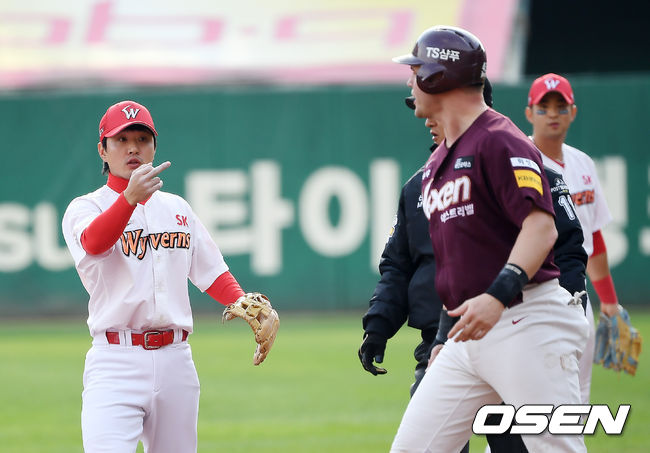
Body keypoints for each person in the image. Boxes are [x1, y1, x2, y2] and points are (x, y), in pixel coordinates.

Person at [389, 26, 589, 452]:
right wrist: (443, 338)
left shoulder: (498, 139)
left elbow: (542, 228)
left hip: (526, 321)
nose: (410, 81)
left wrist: (497, 296)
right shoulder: (438, 163)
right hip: (468, 333)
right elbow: (456, 266)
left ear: (439, 77)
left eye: (417, 70)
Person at [62, 100, 263, 453]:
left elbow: (211, 271)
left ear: (154, 147)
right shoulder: (86, 207)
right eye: (121, 140)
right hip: (116, 361)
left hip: (176, 360)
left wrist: (244, 303)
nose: (133, 148)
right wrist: (128, 200)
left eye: (142, 139)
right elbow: (94, 243)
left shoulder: (176, 208)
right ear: (103, 151)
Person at [525, 73, 621, 405]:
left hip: (578, 295)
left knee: (578, 394)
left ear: (573, 112)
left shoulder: (583, 163)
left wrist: (609, 301)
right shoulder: (519, 161)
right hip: (535, 291)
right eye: (544, 107)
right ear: (529, 113)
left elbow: (592, 236)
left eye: (560, 106)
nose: (553, 114)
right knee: (529, 397)